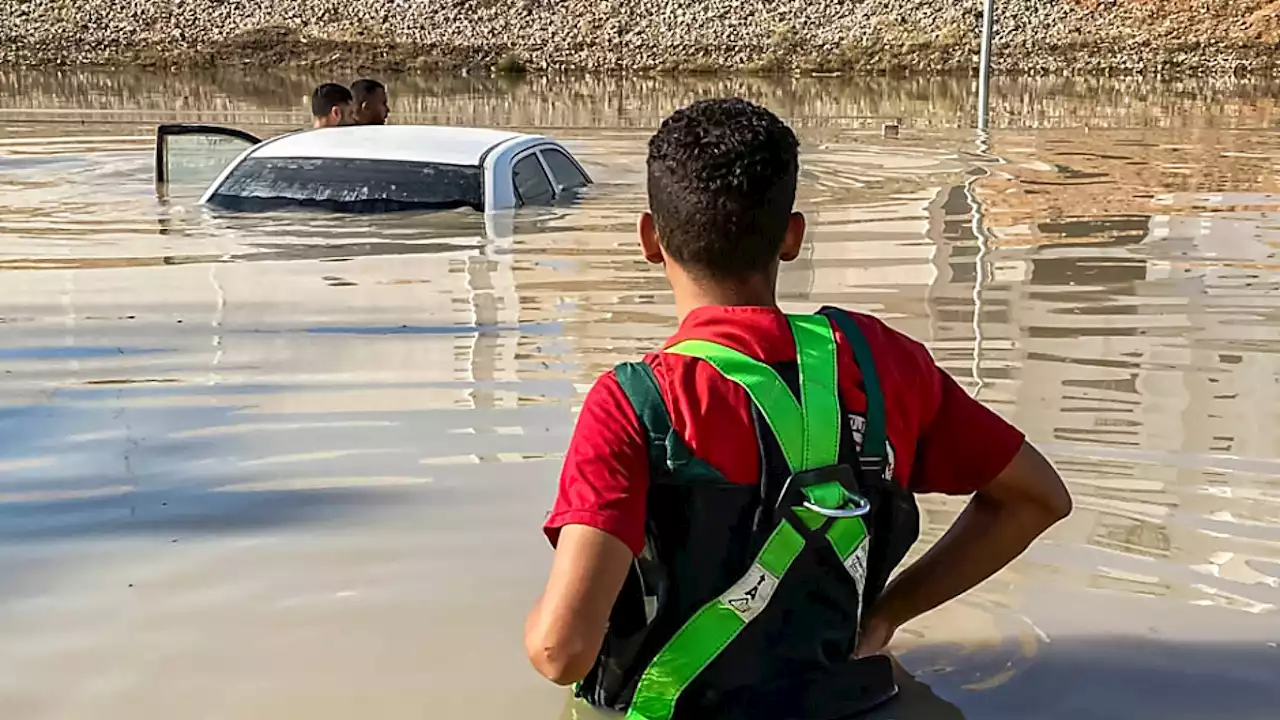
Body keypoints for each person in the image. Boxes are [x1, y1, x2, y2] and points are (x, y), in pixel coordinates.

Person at [524, 98, 1072, 720]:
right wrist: (890, 612)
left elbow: (560, 652)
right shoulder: (884, 362)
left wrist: (536, 622)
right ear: (792, 238)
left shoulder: (633, 404)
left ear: (650, 238)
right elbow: (1039, 497)